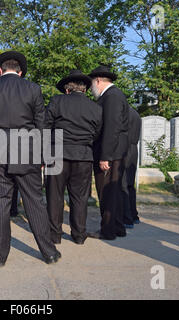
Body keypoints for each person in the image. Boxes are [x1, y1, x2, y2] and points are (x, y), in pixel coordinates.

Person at [0, 51, 61, 267]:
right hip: (27, 150)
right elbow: (41, 125)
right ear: (20, 72)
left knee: (1, 204)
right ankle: (49, 252)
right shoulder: (33, 88)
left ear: (1, 71)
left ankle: (0, 255)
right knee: (34, 202)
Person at [46, 70, 103, 245]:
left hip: (58, 154)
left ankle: (55, 235)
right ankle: (79, 235)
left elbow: (45, 127)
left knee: (54, 196)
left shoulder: (57, 101)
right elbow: (97, 133)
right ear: (85, 90)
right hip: (83, 155)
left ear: (67, 89)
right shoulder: (96, 107)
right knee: (80, 197)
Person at [88, 66, 129, 241]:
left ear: (98, 81)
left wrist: (105, 156)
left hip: (110, 153)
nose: (91, 89)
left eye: (91, 84)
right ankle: (117, 227)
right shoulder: (114, 95)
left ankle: (108, 230)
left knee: (107, 193)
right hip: (116, 152)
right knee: (114, 192)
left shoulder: (111, 97)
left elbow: (112, 128)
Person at [122, 107, 142, 228]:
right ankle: (134, 215)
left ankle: (127, 218)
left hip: (124, 149)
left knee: (122, 184)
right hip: (133, 149)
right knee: (130, 185)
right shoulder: (135, 112)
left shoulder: (123, 113)